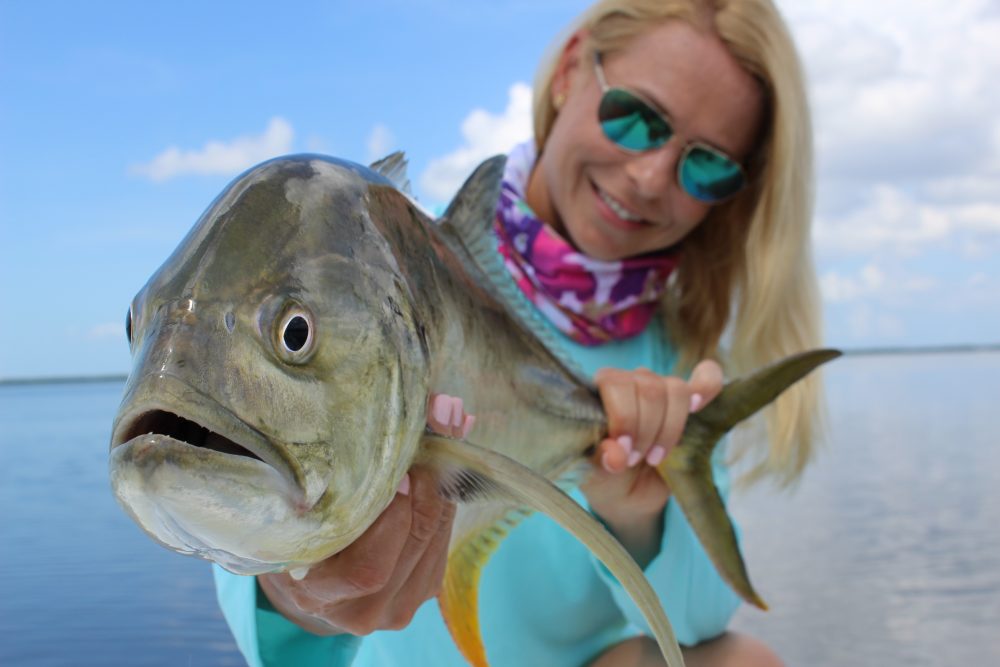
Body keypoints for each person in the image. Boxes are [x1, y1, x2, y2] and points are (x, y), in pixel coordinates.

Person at [214, 0, 822, 665]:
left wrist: (639, 516)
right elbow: (268, 630)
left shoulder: (675, 357)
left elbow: (700, 622)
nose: (650, 177)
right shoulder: (385, 288)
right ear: (568, 73)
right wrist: (296, 591)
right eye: (637, 117)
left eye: (705, 165)